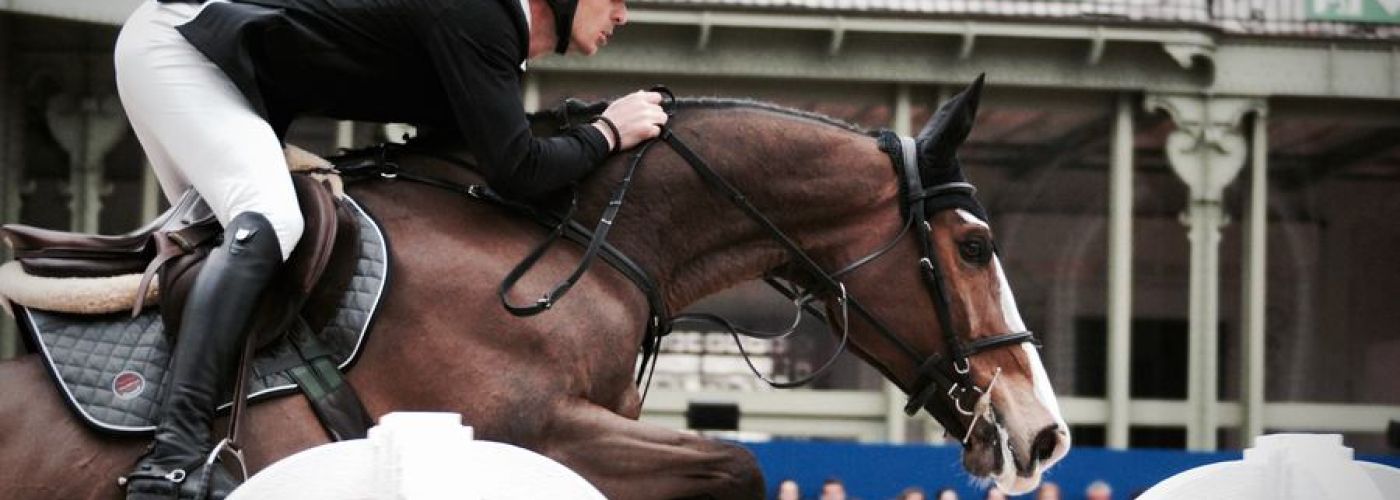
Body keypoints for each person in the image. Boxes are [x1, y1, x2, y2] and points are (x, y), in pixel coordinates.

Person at [111, 0, 667, 497]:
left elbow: (487, 159)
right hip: (185, 53)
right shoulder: (482, 16)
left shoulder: (492, 35)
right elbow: (517, 168)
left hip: (205, 65)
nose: (624, 16)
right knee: (272, 221)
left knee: (239, 249)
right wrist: (609, 133)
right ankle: (172, 459)